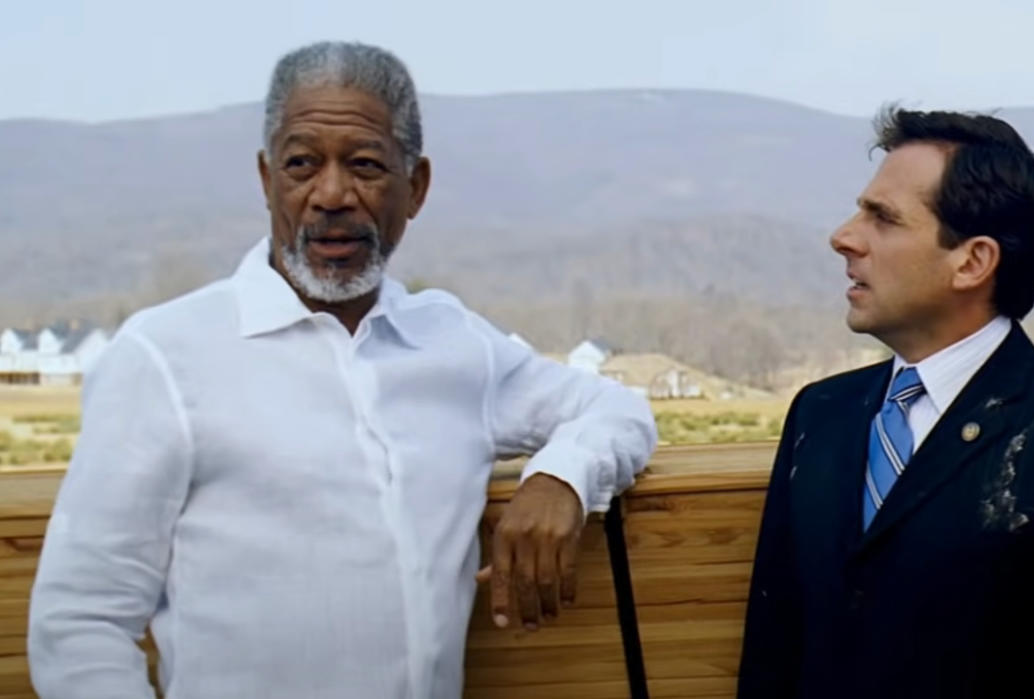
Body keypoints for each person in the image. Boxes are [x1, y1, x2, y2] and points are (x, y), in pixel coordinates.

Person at [27, 41, 656, 699]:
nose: (331, 194)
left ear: (415, 188)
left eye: (364, 164)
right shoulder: (163, 355)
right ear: (268, 179)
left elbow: (617, 409)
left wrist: (562, 477)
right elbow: (79, 622)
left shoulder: (453, 342)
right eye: (302, 164)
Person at [737, 108, 1034, 698]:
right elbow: (776, 650)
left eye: (883, 218)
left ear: (973, 261)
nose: (844, 236)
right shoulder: (820, 415)